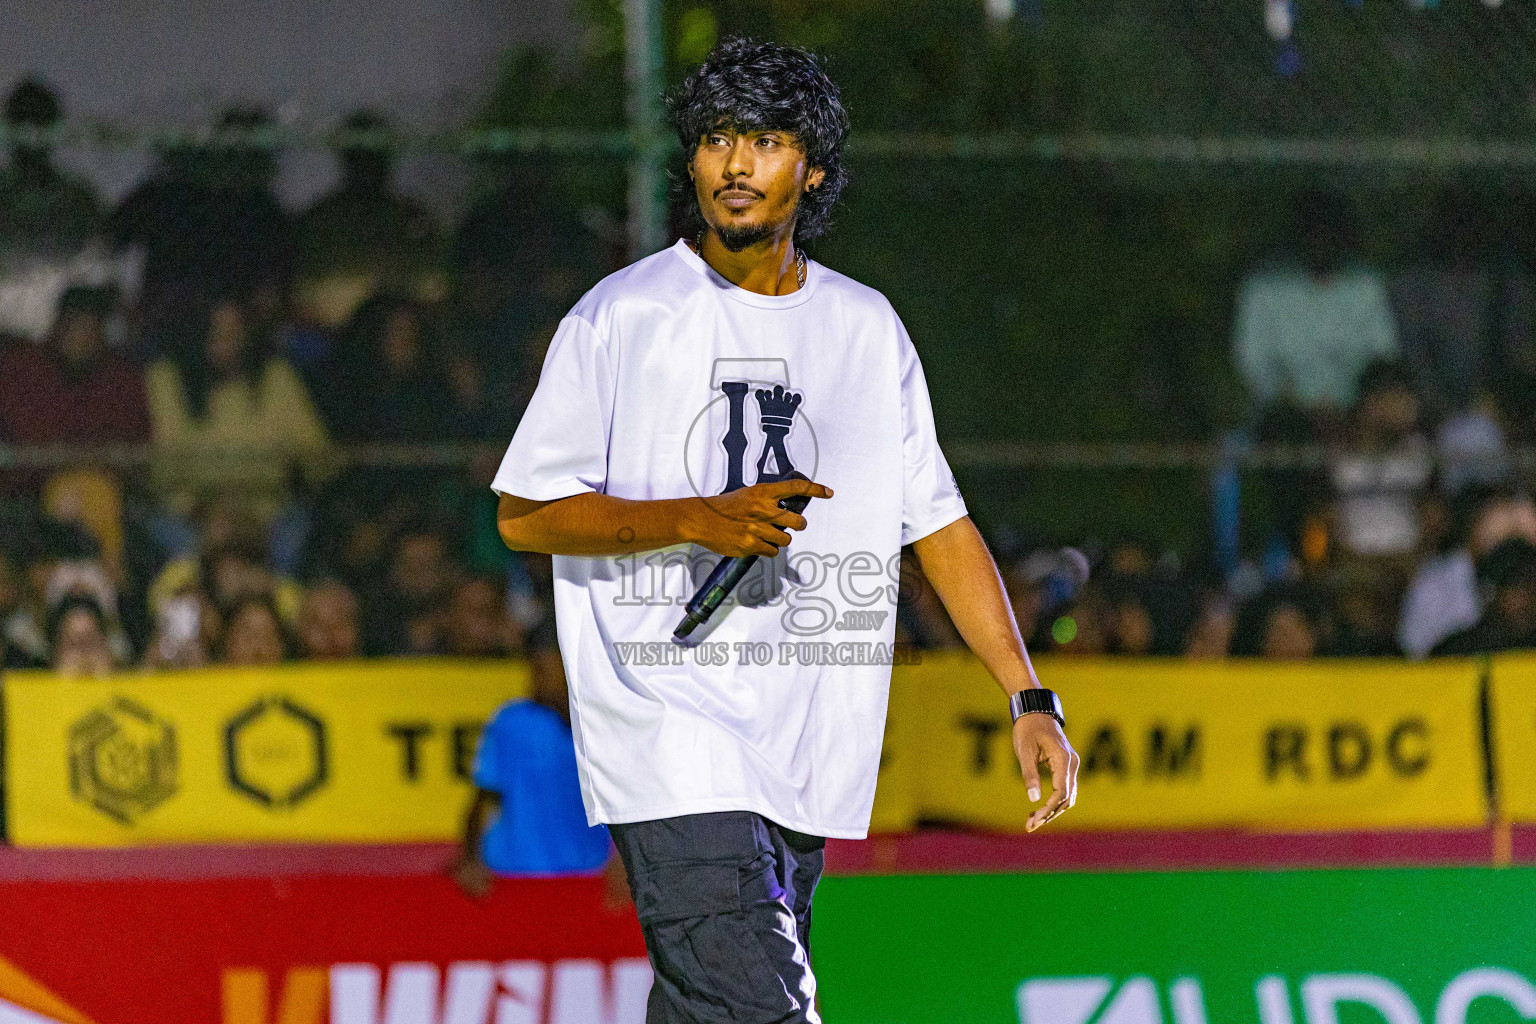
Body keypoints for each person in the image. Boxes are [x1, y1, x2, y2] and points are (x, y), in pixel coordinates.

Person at [490, 39, 1078, 1022]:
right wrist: (692, 520)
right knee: (770, 1010)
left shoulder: (865, 329)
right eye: (716, 139)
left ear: (810, 165)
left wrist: (1027, 691)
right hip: (666, 730)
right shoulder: (622, 318)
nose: (733, 163)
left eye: (763, 140)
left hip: (807, 747)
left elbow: (936, 521)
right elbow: (523, 513)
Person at [451, 624, 616, 896]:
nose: (537, 681)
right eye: (534, 670)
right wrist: (470, 858)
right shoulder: (512, 721)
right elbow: (483, 800)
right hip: (514, 874)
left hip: (589, 874)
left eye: (545, 670)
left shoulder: (601, 724)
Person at [0, 286, 149, 453]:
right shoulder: (22, 368)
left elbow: (131, 441)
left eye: (89, 326)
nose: (79, 336)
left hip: (98, 475)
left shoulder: (121, 380)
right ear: (58, 325)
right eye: (73, 323)